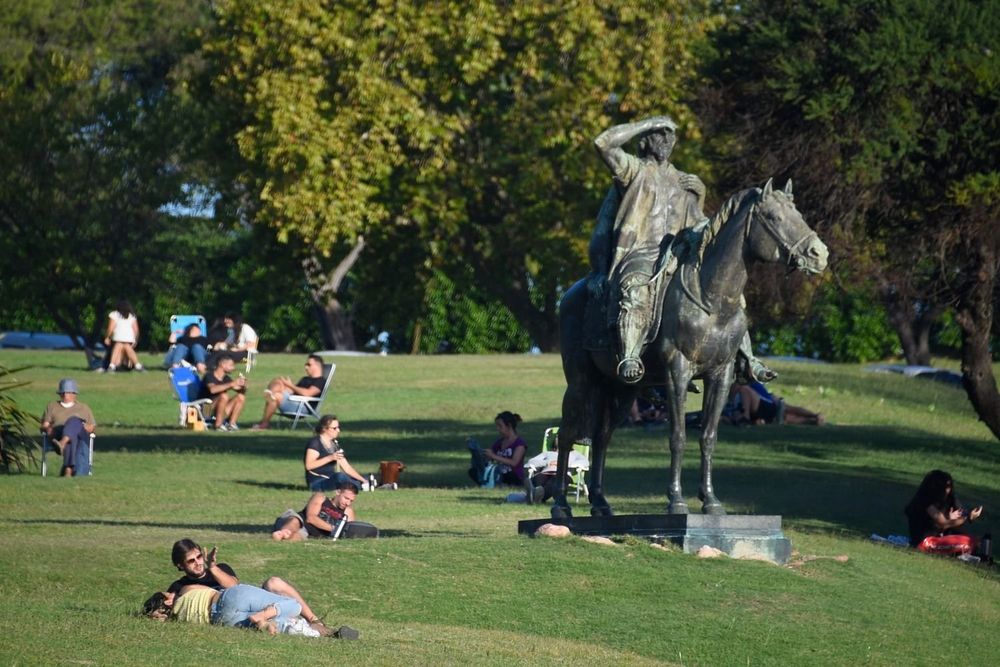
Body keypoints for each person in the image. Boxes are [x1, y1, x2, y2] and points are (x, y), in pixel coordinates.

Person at [589, 116, 774, 385]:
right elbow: (603, 143)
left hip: (677, 253)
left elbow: (701, 227)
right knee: (636, 287)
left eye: (671, 135)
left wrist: (699, 196)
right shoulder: (634, 170)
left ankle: (746, 357)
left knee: (725, 292)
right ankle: (629, 355)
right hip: (641, 253)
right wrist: (647, 123)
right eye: (660, 134)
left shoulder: (684, 181)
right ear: (646, 140)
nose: (667, 140)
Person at [163, 538, 355, 637]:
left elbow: (233, 585)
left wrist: (213, 568)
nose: (198, 563)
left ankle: (314, 620)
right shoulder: (180, 586)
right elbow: (160, 605)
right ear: (180, 565)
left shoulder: (220, 569)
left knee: (274, 583)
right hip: (233, 609)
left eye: (199, 557)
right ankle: (323, 632)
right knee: (288, 617)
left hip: (250, 601)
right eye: (191, 561)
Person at [904, 470, 984, 550]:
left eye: (950, 486)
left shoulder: (949, 499)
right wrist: (967, 517)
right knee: (969, 542)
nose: (948, 490)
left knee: (973, 540)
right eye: (946, 486)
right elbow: (944, 524)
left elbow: (961, 512)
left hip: (941, 537)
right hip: (925, 542)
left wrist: (959, 517)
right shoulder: (925, 502)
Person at [272, 483, 377, 540]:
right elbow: (311, 518)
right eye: (346, 498)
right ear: (337, 492)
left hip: (308, 533)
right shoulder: (320, 498)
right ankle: (283, 533)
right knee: (294, 521)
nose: (348, 503)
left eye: (351, 500)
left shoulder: (348, 512)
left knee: (296, 538)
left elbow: (347, 532)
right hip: (301, 521)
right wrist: (334, 529)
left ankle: (283, 538)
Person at [251, 354, 327, 430]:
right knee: (278, 381)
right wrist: (285, 386)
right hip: (294, 401)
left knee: (276, 396)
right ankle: (270, 394)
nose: (306, 367)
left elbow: (307, 393)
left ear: (317, 366)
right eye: (305, 364)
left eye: (308, 364)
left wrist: (290, 385)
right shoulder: (305, 379)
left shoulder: (320, 381)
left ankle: (264, 424)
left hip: (303, 407)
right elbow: (294, 391)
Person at [39, 378, 96, 477]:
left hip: (79, 435)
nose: (65, 395)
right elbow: (45, 425)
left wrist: (87, 427)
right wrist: (47, 429)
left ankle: (63, 445)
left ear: (75, 394)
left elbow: (92, 427)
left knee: (74, 421)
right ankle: (68, 469)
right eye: (63, 392)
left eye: (69, 392)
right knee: (72, 436)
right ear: (59, 393)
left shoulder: (83, 408)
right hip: (58, 433)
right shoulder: (52, 406)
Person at [304, 415, 367, 491]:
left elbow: (346, 468)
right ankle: (358, 486)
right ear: (324, 429)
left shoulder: (334, 444)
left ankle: (362, 484)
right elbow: (309, 465)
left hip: (331, 479)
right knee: (339, 477)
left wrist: (363, 480)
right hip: (317, 482)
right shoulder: (315, 443)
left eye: (338, 427)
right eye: (334, 428)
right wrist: (330, 458)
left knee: (346, 477)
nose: (338, 430)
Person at [467, 411, 527, 487]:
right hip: (498, 473)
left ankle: (496, 484)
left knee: (509, 475)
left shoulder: (519, 444)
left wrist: (494, 456)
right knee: (474, 471)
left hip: (512, 475)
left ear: (509, 426)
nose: (498, 429)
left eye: (500, 426)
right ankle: (489, 483)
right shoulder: (499, 443)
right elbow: (490, 458)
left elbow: (514, 463)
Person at [723, 381, 824, 426]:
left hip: (766, 403)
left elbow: (762, 392)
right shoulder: (735, 396)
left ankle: (814, 416)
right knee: (785, 417)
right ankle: (813, 420)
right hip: (763, 406)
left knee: (787, 412)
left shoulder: (746, 386)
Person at [522, 445, 589, 505]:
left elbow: (585, 462)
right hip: (546, 472)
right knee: (538, 479)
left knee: (554, 482)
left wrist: (566, 464)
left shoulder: (574, 454)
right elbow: (532, 461)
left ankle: (533, 495)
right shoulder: (548, 453)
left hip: (562, 473)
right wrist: (546, 462)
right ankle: (534, 494)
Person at [199, 356, 247, 431]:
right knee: (223, 396)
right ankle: (218, 425)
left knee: (241, 397)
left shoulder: (226, 378)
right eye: (231, 365)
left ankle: (231, 424)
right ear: (222, 364)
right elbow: (213, 390)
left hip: (219, 410)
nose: (233, 368)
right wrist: (231, 384)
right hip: (206, 410)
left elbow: (239, 390)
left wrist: (243, 386)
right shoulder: (209, 376)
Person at [100, 299, 143, 372]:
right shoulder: (132, 316)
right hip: (129, 337)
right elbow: (136, 330)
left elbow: (111, 327)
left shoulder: (114, 314)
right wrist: (136, 340)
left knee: (118, 345)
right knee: (127, 347)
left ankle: (112, 365)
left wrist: (107, 337)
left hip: (118, 336)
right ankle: (137, 365)